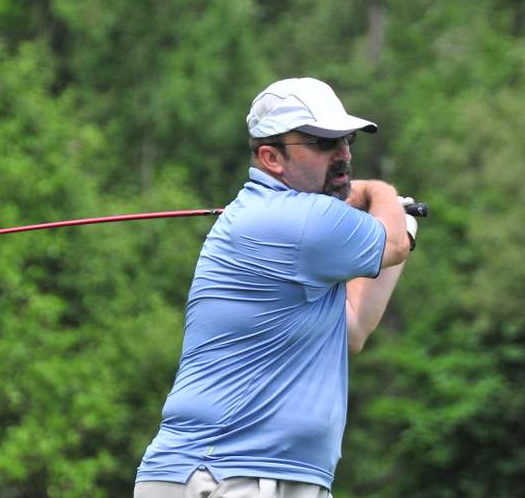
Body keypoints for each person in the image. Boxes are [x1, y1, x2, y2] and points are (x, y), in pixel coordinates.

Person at [134, 77, 418, 498]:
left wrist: (399, 228)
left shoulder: (298, 230)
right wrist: (382, 193)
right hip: (224, 471)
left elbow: (353, 328)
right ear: (271, 157)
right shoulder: (301, 220)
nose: (343, 154)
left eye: (347, 140)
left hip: (250, 472)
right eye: (323, 143)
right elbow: (392, 244)